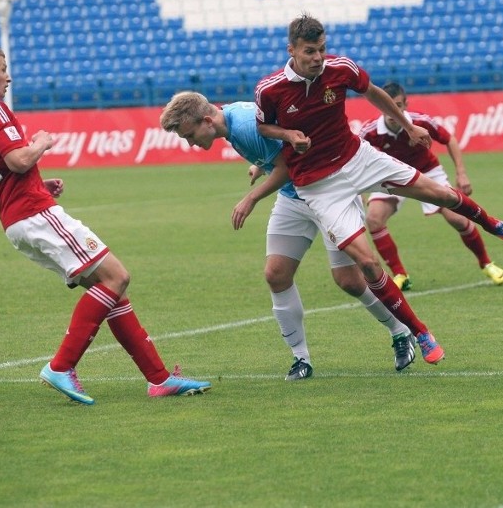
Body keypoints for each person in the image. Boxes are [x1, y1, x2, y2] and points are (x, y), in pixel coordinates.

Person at [254, 14, 503, 365]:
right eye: (310, 51)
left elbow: (374, 93)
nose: (318, 58)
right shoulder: (269, 89)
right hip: (319, 187)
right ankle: (420, 332)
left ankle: (495, 226)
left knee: (442, 194)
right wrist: (287, 135)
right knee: (367, 262)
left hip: (358, 158)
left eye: (322, 49)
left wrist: (409, 126)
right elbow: (264, 128)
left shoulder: (341, 69)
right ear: (291, 50)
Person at [0, 44, 210, 405]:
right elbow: (16, 160)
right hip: (35, 214)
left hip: (16, 220)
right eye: (2, 69)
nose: (7, 77)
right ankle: (61, 366)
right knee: (118, 276)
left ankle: (159, 379)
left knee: (111, 288)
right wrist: (40, 143)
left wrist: (38, 184)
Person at [158, 93, 417, 378]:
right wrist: (261, 163)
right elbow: (280, 146)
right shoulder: (230, 120)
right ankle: (301, 358)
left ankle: (400, 331)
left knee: (350, 281)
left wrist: (251, 198)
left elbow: (286, 167)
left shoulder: (242, 125)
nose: (190, 143)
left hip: (327, 194)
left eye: (190, 135)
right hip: (294, 199)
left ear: (207, 120)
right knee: (276, 274)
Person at [359, 82, 503, 290]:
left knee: (457, 218)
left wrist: (461, 173)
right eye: (388, 106)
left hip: (427, 173)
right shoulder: (370, 131)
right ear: (380, 106)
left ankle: (486, 263)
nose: (394, 111)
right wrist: (360, 190)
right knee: (373, 219)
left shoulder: (421, 121)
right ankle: (401, 275)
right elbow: (355, 159)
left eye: (399, 105)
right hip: (392, 173)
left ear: (405, 104)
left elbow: (449, 139)